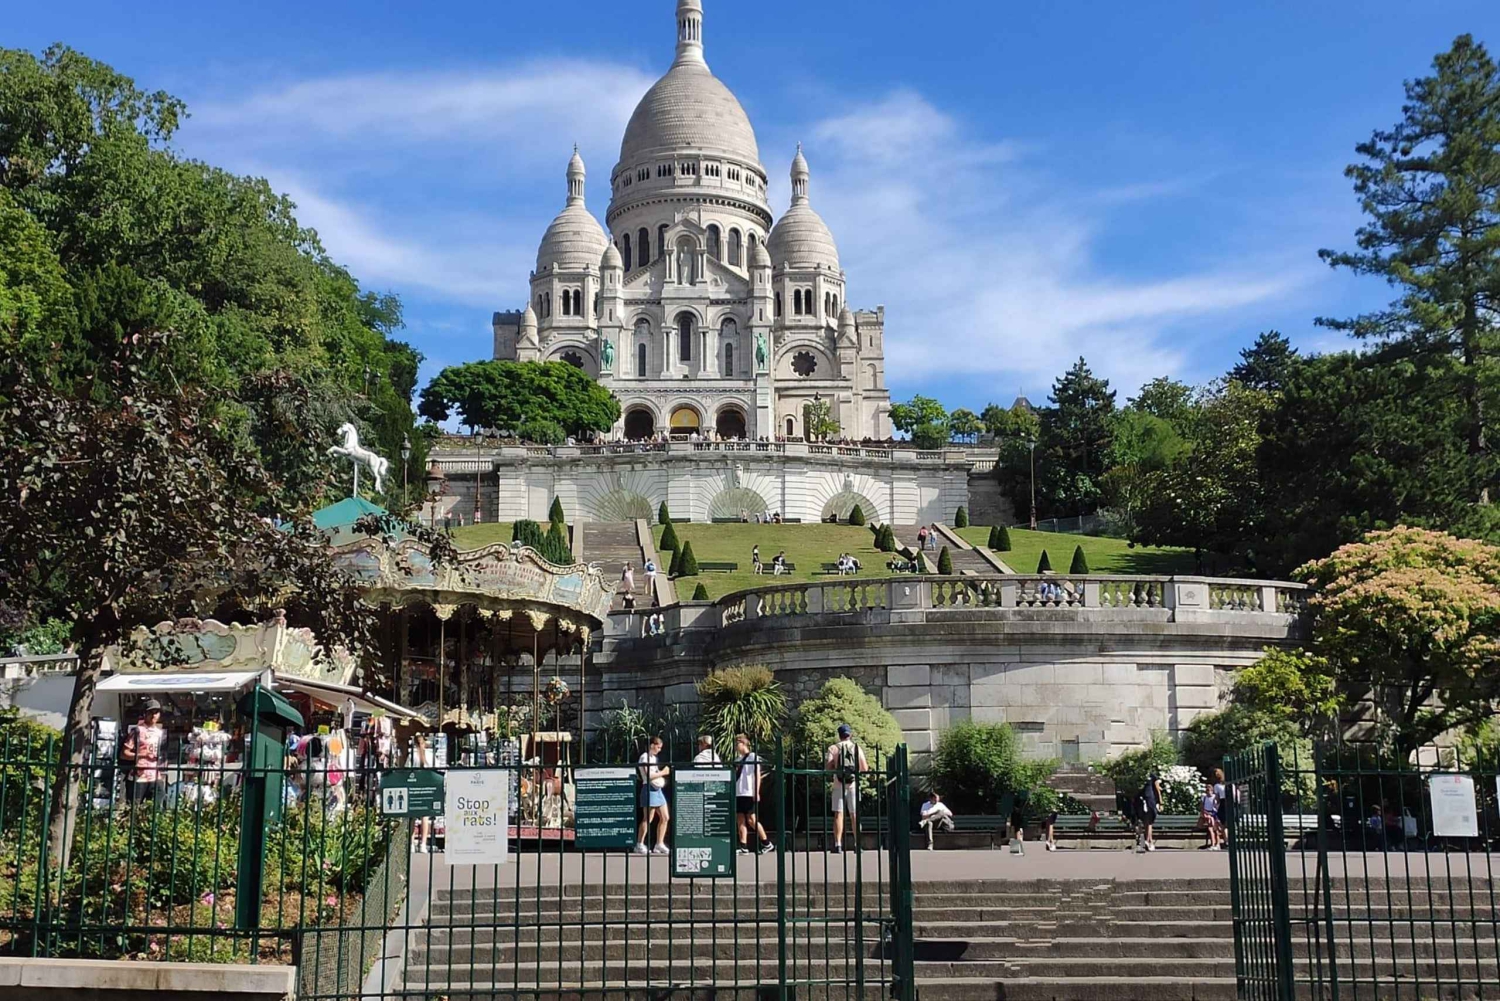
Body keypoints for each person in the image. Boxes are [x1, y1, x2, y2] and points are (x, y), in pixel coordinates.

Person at [825, 724, 869, 854]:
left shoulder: (833, 748)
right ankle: (857, 844)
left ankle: (838, 844)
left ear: (839, 735)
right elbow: (864, 768)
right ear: (850, 735)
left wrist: (837, 767)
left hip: (838, 784)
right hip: (853, 784)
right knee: (854, 814)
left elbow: (828, 767)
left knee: (838, 813)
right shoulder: (856, 748)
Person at [733, 734, 774, 855]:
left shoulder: (752, 757)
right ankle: (743, 845)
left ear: (743, 743)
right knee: (740, 819)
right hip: (738, 792)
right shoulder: (738, 760)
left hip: (748, 791)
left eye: (737, 744)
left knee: (751, 819)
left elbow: (757, 775)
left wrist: (756, 791)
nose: (736, 747)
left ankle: (766, 842)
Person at [121, 699, 167, 806]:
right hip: (138, 776)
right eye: (151, 712)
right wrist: (143, 755)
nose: (154, 715)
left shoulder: (160, 733)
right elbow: (124, 754)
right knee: (135, 808)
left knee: (157, 807)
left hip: (155, 775)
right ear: (145, 714)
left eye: (156, 712)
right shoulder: (137, 731)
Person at [635, 736, 672, 855]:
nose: (659, 749)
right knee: (648, 819)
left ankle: (659, 844)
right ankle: (639, 844)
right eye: (658, 747)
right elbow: (649, 775)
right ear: (652, 745)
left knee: (665, 817)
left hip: (657, 789)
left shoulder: (653, 758)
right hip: (649, 788)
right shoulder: (644, 757)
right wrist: (663, 772)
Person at [409, 733, 437, 853]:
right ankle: (423, 844)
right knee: (425, 817)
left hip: (414, 786)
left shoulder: (412, 756)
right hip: (427, 787)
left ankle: (411, 844)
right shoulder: (431, 756)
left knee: (412, 817)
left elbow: (407, 770)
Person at [1136, 770, 1163, 852]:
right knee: (1146, 821)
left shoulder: (1152, 775)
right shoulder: (1138, 774)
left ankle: (1148, 841)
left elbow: (1157, 788)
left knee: (1148, 820)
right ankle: (1148, 841)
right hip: (1141, 799)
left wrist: (1160, 802)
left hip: (1149, 800)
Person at [1200, 779, 1222, 851]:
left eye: (1210, 790)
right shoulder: (1204, 797)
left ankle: (1217, 844)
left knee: (1215, 829)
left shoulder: (1214, 797)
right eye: (1207, 791)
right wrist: (1205, 813)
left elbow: (1217, 806)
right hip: (1207, 814)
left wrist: (1212, 814)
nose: (1208, 792)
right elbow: (1202, 807)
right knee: (1210, 829)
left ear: (1212, 791)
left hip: (1214, 814)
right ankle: (1213, 844)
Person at [1008, 786, 1031, 855]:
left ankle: (1019, 850)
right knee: (1016, 831)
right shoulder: (1023, 797)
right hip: (1018, 815)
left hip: (1017, 815)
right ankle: (1017, 849)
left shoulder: (1017, 798)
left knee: (1017, 831)